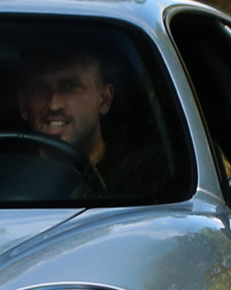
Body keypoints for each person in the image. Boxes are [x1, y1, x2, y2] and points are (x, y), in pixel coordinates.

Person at [14, 43, 160, 198]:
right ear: (23, 104)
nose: (54, 104)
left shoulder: (143, 176)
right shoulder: (1, 177)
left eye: (69, 86)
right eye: (39, 88)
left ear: (104, 100)